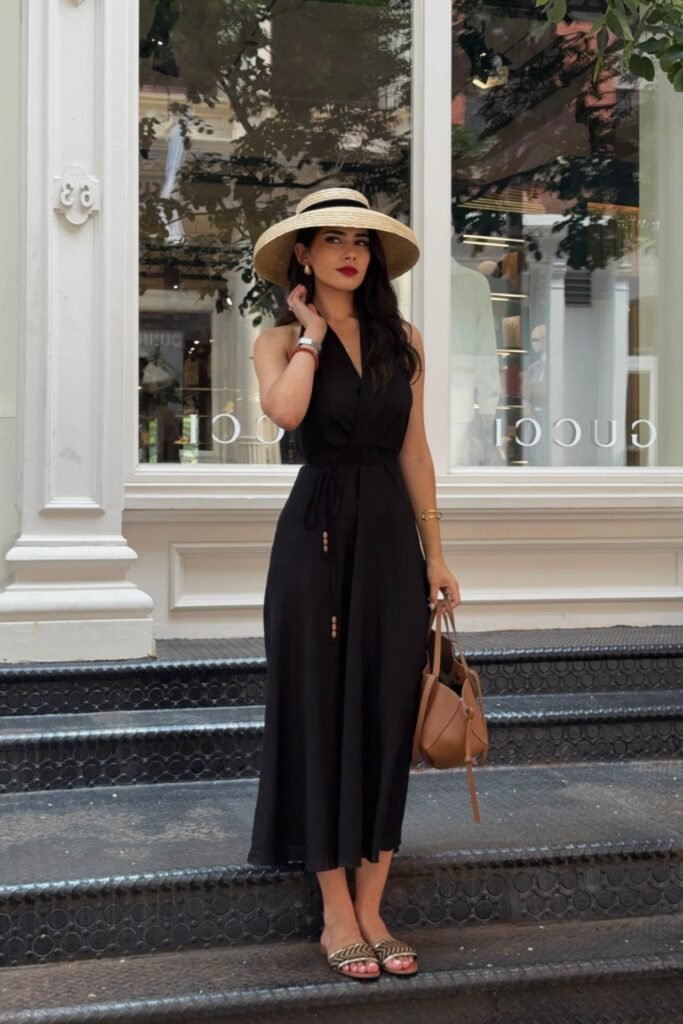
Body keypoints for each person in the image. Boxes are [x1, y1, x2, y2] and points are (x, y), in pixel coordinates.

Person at [247, 187, 461, 981]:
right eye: (331, 239)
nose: (349, 253)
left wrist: (435, 554)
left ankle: (374, 906)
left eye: (360, 241)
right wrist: (310, 333)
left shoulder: (402, 341)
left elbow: (414, 451)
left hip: (388, 542)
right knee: (317, 710)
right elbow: (285, 414)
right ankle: (336, 912)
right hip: (315, 539)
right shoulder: (277, 340)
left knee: (384, 710)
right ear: (302, 254)